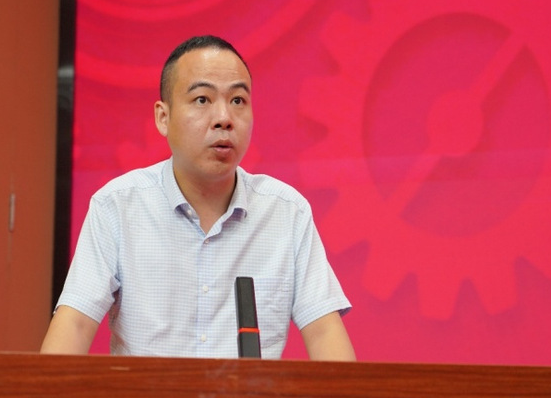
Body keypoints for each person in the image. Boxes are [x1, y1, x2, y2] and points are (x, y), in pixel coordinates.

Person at [41, 35, 355, 361]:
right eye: (202, 99)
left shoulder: (286, 212)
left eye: (238, 101)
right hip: (148, 395)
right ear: (163, 117)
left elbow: (324, 331)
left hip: (249, 397)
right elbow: (75, 323)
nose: (224, 118)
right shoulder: (117, 206)